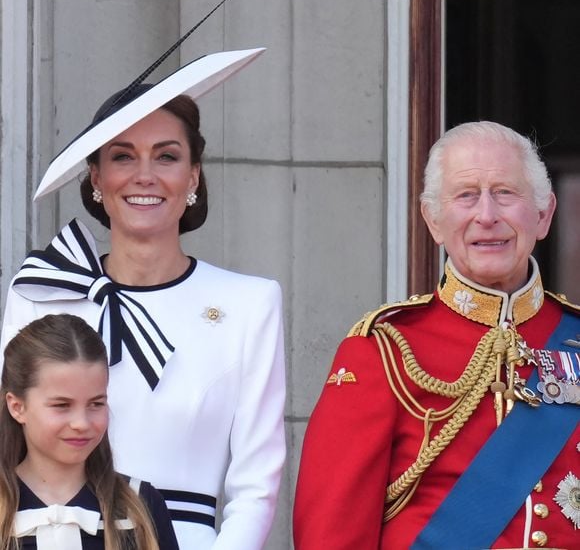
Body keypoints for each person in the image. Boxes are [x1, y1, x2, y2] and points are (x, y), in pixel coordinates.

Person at [1, 80, 286, 548]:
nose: (145, 175)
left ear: (193, 175)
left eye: (167, 156)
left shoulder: (250, 303)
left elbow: (254, 489)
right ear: (95, 176)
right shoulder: (41, 292)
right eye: (123, 156)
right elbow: (6, 444)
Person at [293, 121, 579, 549]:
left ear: (543, 215)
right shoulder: (386, 350)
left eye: (506, 192)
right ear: (434, 221)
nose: (487, 215)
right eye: (466, 195)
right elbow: (332, 534)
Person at [0, 313, 179, 549]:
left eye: (96, 403)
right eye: (62, 405)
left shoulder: (141, 505)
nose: (82, 423)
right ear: (17, 407)